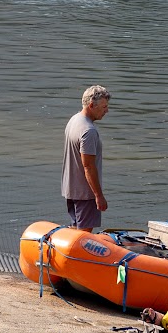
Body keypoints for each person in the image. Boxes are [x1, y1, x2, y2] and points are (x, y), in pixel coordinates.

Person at [61, 85, 111, 231]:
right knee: (84, 236)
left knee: (75, 230)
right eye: (104, 107)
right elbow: (88, 166)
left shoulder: (74, 120)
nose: (107, 110)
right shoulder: (89, 131)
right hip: (85, 193)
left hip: (71, 189)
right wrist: (98, 196)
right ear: (91, 105)